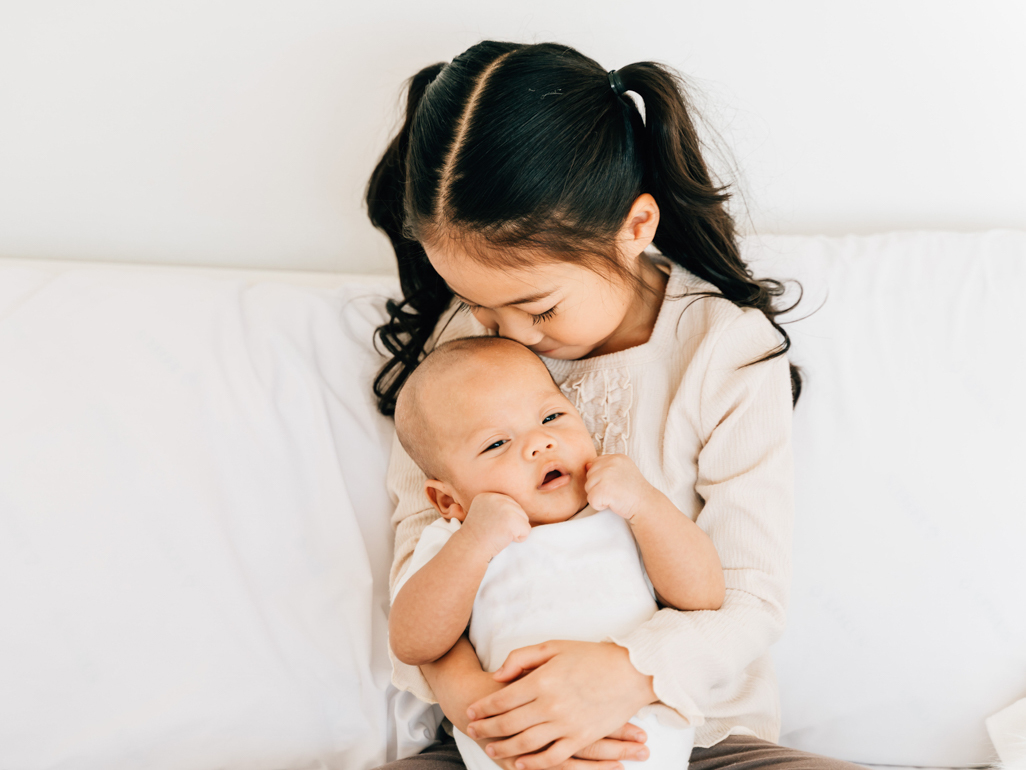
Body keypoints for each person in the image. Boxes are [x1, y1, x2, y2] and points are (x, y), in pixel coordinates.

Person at [367, 40, 860, 770]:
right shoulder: (459, 353)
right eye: (478, 306)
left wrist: (624, 674)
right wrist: (500, 717)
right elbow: (418, 593)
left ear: (634, 229)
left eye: (535, 306)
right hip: (497, 741)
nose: (508, 336)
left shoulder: (722, 352)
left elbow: (749, 602)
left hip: (696, 738)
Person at [390, 335, 724, 769]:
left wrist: (646, 505)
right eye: (496, 443)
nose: (540, 442)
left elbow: (704, 596)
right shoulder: (456, 539)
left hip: (643, 747)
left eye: (552, 416)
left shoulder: (620, 509)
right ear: (450, 500)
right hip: (521, 753)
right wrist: (474, 541)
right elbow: (414, 644)